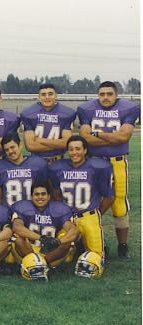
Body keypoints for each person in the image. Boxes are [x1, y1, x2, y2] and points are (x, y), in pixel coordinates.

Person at [77, 81, 140, 259]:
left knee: (119, 204)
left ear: (116, 95)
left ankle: (123, 245)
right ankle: (92, 240)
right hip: (94, 163)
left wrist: (97, 134)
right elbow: (85, 139)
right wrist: (112, 138)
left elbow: (124, 136)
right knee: (91, 202)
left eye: (109, 94)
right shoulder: (86, 109)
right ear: (98, 95)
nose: (105, 97)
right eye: (102, 94)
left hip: (117, 162)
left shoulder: (129, 108)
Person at [48, 135, 114, 267]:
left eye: (78, 149)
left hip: (89, 216)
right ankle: (76, 248)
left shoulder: (98, 167)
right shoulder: (58, 168)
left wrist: (97, 214)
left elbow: (109, 197)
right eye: (71, 149)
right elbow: (56, 194)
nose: (74, 153)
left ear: (85, 150)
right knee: (61, 257)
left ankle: (85, 245)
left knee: (96, 259)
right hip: (68, 219)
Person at [11, 181, 79, 270]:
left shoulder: (59, 209)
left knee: (67, 243)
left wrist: (58, 242)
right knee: (18, 240)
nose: (40, 197)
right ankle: (36, 264)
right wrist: (41, 238)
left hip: (51, 252)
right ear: (31, 197)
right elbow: (17, 227)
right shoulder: (23, 207)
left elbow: (74, 230)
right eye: (37, 194)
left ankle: (39, 265)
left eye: (43, 194)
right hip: (29, 249)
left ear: (49, 196)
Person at [20, 83, 76, 164]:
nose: (47, 97)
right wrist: (57, 144)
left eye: (50, 94)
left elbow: (66, 143)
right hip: (36, 161)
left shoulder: (67, 113)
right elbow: (30, 146)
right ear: (39, 97)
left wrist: (40, 140)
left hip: (59, 161)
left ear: (56, 96)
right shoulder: (28, 114)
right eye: (43, 94)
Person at [0, 132, 47, 207]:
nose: (10, 151)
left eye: (12, 147)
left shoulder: (38, 164)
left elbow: (45, 194)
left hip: (32, 212)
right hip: (9, 213)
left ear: (20, 145)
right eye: (7, 150)